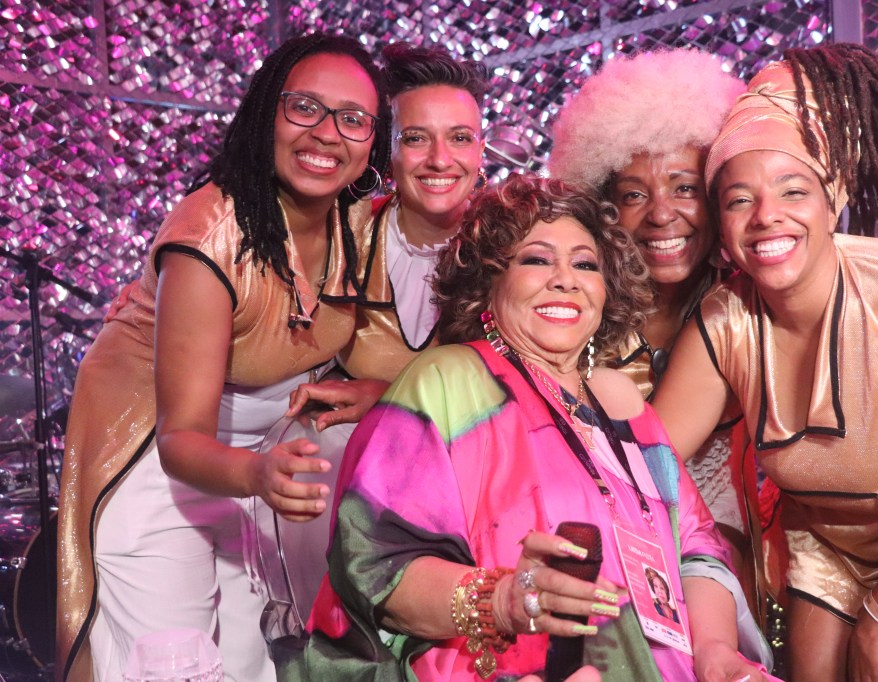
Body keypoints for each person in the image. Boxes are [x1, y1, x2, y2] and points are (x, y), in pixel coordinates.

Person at [296, 175, 775, 681]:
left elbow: (696, 546)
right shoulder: (449, 381)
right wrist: (502, 600)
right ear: (488, 282)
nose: (565, 279)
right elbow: (373, 561)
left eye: (585, 264)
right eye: (537, 260)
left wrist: (717, 652)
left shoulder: (625, 406)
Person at [654, 43, 878, 681]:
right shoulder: (725, 320)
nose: (767, 216)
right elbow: (645, 460)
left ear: (834, 197)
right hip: (833, 547)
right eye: (739, 200)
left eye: (792, 190)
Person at [55, 32, 391, 682]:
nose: (327, 134)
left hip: (258, 470)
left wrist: (381, 391)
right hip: (157, 461)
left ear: (372, 142)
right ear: (267, 114)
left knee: (252, 664)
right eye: (305, 107)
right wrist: (258, 475)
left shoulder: (360, 226)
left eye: (353, 119)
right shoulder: (208, 239)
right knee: (174, 665)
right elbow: (181, 438)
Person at [547, 48, 783, 615]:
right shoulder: (576, 304)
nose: (660, 214)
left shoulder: (752, 303)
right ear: (603, 208)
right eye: (634, 194)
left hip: (726, 540)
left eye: (684, 188)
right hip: (594, 518)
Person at [286, 42, 487, 431]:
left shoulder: (510, 247)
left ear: (481, 151)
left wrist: (389, 397)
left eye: (460, 138)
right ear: (387, 153)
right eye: (415, 138)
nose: (440, 159)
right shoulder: (343, 234)